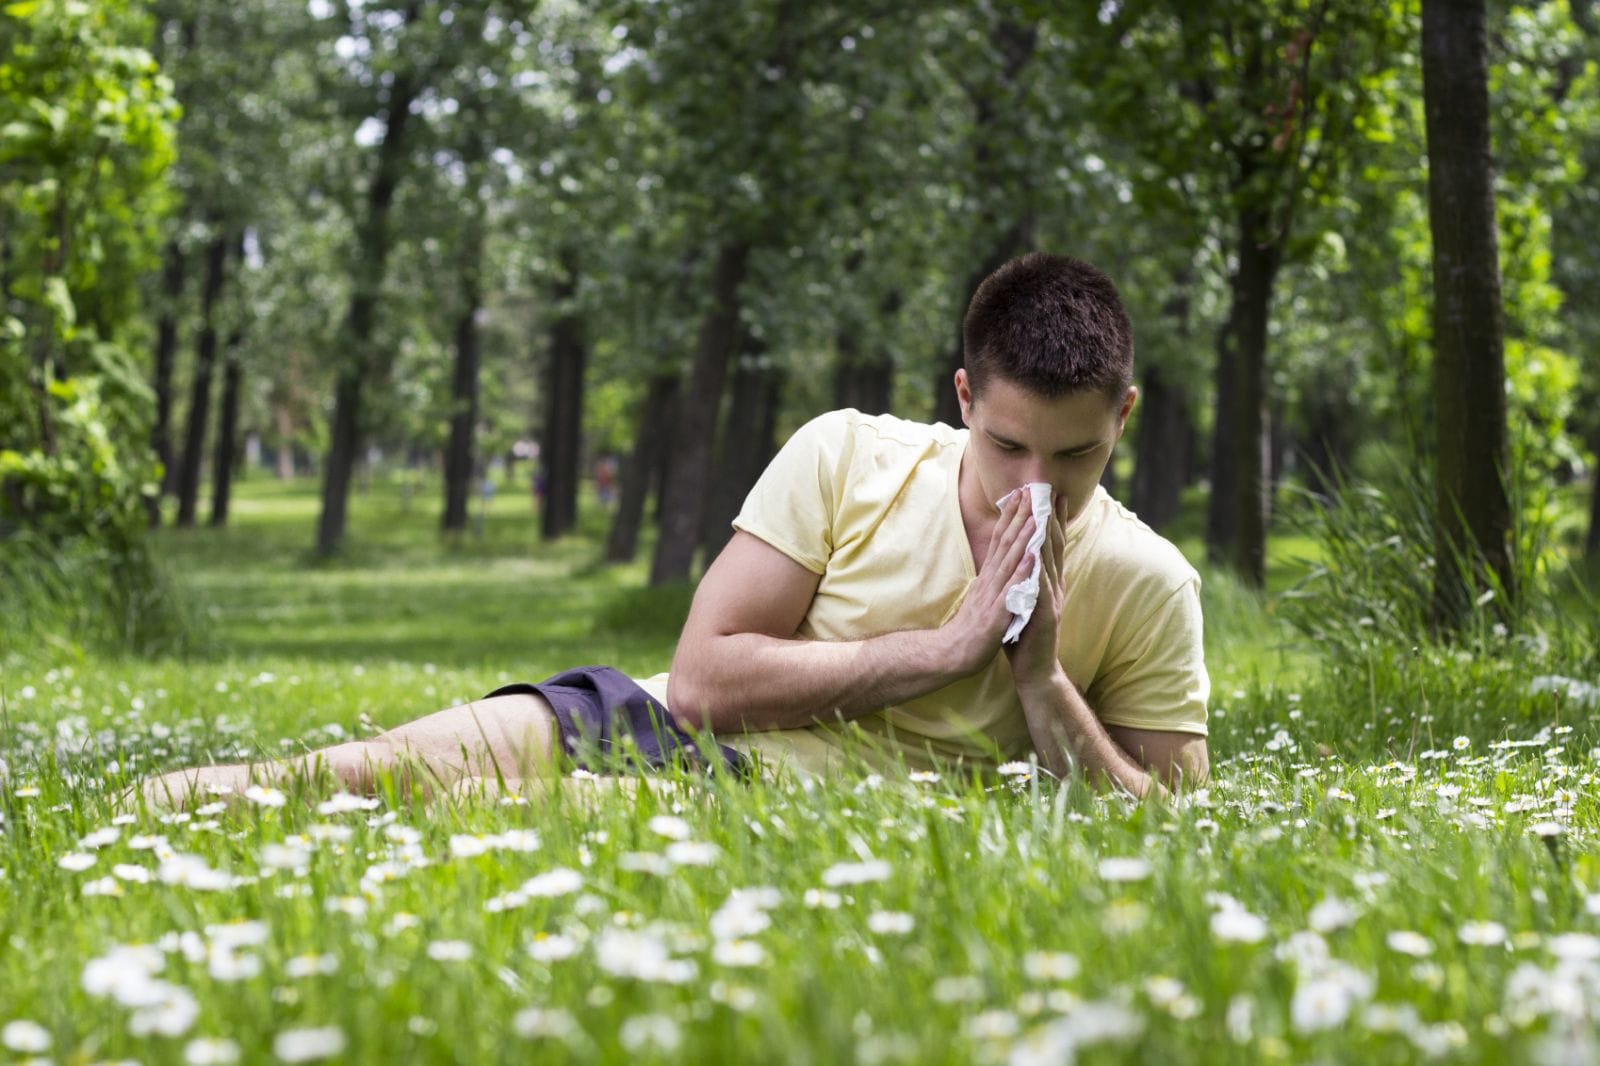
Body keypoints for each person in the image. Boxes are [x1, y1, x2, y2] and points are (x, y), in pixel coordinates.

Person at [140, 253, 1208, 809]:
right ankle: (119, 802)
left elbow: (1170, 820)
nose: (1037, 486)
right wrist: (944, 649)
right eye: (1010, 446)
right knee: (344, 776)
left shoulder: (1150, 583)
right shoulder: (849, 453)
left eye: (1074, 458)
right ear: (967, 395)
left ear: (1122, 417)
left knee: (459, 816)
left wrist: (1039, 683)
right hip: (655, 719)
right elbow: (700, 679)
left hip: (770, 802)